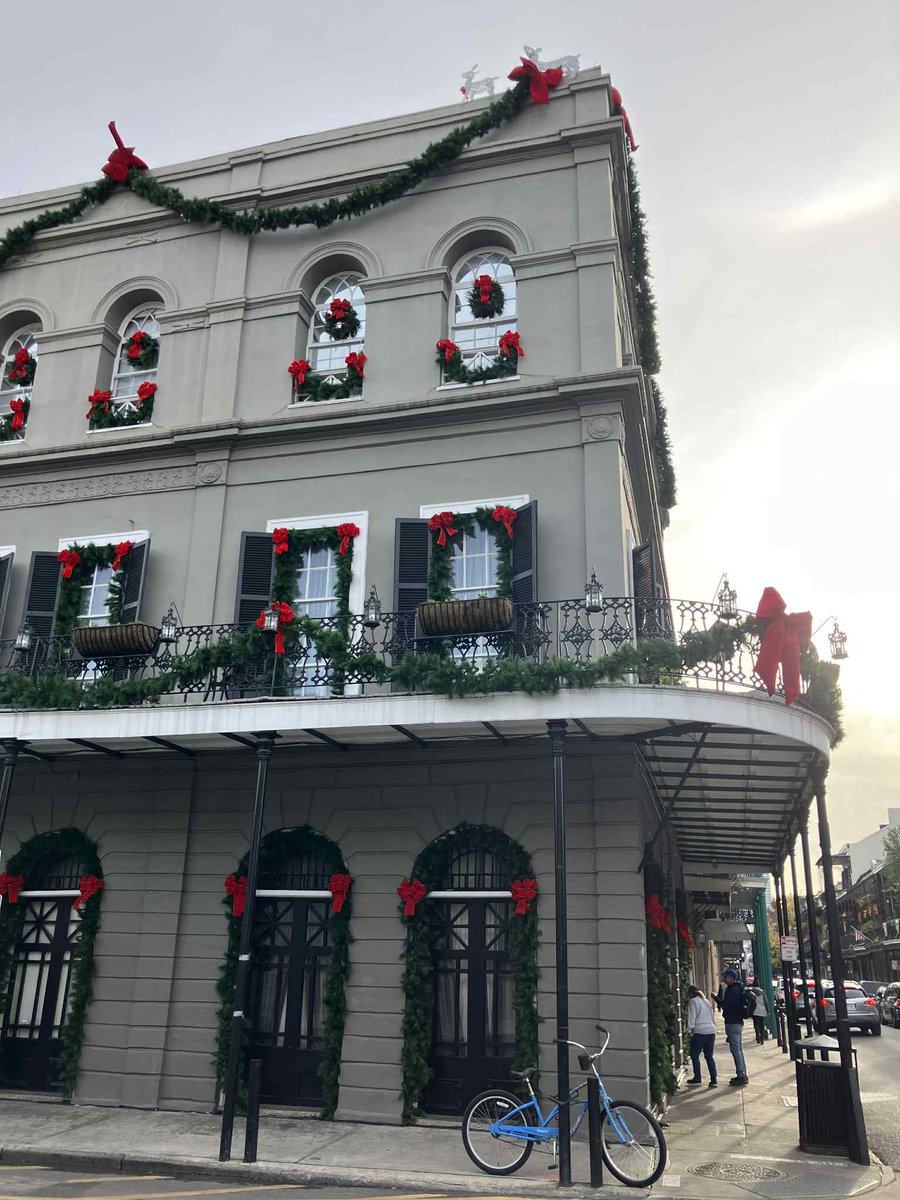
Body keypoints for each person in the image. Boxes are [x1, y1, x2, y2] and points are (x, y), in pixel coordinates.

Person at [716, 968, 749, 1085]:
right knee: (739, 1049)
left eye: (726, 977)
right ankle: (743, 1073)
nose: (724, 979)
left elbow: (727, 1005)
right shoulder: (738, 988)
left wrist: (717, 999)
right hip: (737, 1021)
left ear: (731, 978)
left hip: (732, 1022)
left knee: (736, 1050)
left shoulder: (732, 990)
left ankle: (741, 1075)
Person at [685, 985, 718, 1088]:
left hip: (700, 1032)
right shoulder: (706, 1001)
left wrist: (689, 1030)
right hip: (711, 1031)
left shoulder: (693, 1002)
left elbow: (692, 1017)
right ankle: (713, 1080)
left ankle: (697, 1078)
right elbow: (712, 1017)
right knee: (709, 1057)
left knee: (694, 1055)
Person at [746, 977, 769, 1045]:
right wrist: (768, 1010)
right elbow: (766, 1002)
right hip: (762, 1010)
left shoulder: (751, 991)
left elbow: (749, 1000)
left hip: (755, 1010)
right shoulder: (762, 992)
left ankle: (757, 1037)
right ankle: (762, 1039)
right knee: (762, 1024)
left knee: (756, 1024)